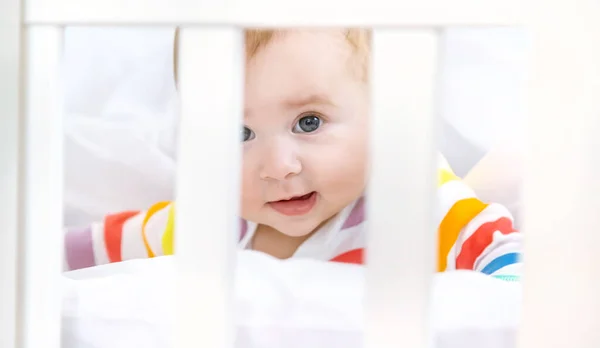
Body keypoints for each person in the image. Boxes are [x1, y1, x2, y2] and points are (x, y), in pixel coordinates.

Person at [64, 29, 522, 280]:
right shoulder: (206, 222)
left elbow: (511, 273)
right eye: (239, 132)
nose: (279, 166)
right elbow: (86, 248)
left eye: (309, 122)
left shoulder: (418, 205)